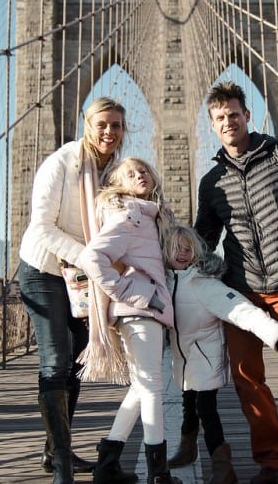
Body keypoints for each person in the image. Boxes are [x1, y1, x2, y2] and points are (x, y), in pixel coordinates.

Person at [194, 82, 278, 484]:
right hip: (242, 294)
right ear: (213, 127)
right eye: (219, 118)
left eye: (234, 114)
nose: (228, 122)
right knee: (246, 376)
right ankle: (272, 460)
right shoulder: (212, 181)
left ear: (247, 116)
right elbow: (204, 238)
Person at [18, 97, 127, 484]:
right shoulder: (62, 162)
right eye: (102, 124)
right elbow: (41, 227)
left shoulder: (117, 172)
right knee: (55, 360)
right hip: (43, 270)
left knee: (76, 363)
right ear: (87, 124)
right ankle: (62, 464)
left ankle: (54, 452)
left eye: (116, 125)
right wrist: (88, 257)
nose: (109, 132)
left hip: (81, 280)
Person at [75, 157, 182, 484]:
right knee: (152, 388)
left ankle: (108, 464)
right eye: (131, 174)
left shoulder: (146, 216)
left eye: (145, 171)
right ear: (119, 184)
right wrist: (137, 293)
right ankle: (158, 474)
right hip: (139, 311)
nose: (141, 176)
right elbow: (92, 257)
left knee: (141, 386)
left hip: (140, 311)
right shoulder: (130, 215)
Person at [162, 224, 278, 484]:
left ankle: (223, 468)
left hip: (206, 358)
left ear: (196, 253)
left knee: (205, 409)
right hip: (183, 359)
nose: (182, 253)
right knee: (189, 405)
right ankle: (187, 449)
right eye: (176, 248)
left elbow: (240, 309)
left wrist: (277, 336)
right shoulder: (164, 282)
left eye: (188, 249)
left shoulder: (205, 285)